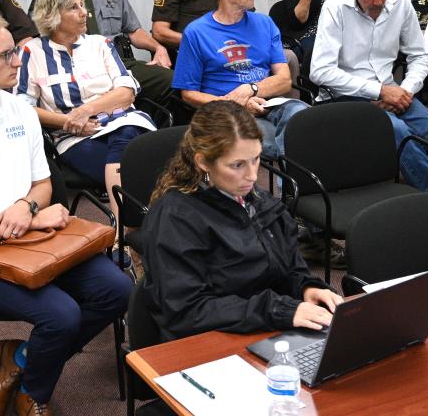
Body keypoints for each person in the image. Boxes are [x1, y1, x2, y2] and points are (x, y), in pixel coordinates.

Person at [0, 15, 130, 416]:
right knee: (62, 316)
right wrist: (32, 218)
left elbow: (42, 185)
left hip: (31, 238)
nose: (19, 61)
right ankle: (36, 394)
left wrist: (26, 206)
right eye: (8, 54)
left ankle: (22, 363)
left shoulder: (18, 110)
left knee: (118, 290)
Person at [141, 100, 342, 342]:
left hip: (266, 327)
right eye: (237, 165)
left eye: (256, 159)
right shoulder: (174, 219)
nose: (253, 175)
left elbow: (290, 268)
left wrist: (307, 287)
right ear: (203, 162)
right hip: (210, 340)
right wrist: (279, 310)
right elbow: (187, 311)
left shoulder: (259, 201)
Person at [15, 0, 156, 222]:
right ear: (53, 16)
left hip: (122, 122)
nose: (84, 12)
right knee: (142, 166)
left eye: (83, 5)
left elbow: (127, 91)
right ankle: (135, 227)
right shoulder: (32, 52)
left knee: (125, 133)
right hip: (74, 136)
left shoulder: (100, 44)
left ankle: (122, 227)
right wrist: (68, 121)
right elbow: (23, 108)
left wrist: (86, 110)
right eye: (73, 7)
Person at [310, 0, 428, 195]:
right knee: (397, 131)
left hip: (393, 90)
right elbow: (320, 71)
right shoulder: (336, 6)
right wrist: (379, 91)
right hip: (344, 97)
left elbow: (420, 56)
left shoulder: (399, 1)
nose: (379, 1)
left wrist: (406, 91)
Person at [173, 0, 310, 158]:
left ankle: (293, 185)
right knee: (269, 140)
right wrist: (235, 103)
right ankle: (289, 187)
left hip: (266, 104)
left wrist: (251, 89)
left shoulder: (265, 23)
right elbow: (188, 94)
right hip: (225, 111)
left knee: (304, 118)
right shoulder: (196, 33)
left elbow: (284, 81)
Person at [31, 0, 173, 108]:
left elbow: (133, 30)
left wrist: (158, 47)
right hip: (77, 68)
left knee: (172, 81)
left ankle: (156, 131)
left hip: (120, 63)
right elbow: (39, 40)